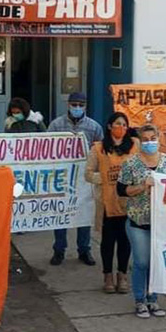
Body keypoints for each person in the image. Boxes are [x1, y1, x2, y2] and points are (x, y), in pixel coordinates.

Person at [117, 123, 166, 318]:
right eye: (145, 140)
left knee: (156, 263)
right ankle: (139, 300)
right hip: (138, 222)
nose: (149, 142)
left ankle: (153, 299)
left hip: (162, 223)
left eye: (153, 138)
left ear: (159, 138)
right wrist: (142, 186)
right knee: (142, 261)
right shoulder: (130, 164)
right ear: (139, 142)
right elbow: (121, 190)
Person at [85, 112, 140, 293]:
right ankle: (107, 275)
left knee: (125, 241)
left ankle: (122, 275)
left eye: (124, 125)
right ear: (109, 126)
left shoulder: (134, 146)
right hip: (107, 203)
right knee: (107, 242)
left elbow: (142, 168)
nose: (121, 128)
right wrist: (106, 178)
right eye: (117, 124)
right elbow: (88, 174)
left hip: (128, 202)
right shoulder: (98, 148)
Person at [48, 92, 104, 266]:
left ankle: (84, 250)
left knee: (84, 212)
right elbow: (46, 146)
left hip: (84, 177)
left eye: (81, 104)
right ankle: (59, 250)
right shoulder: (56, 124)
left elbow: (101, 151)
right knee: (60, 212)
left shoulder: (94, 127)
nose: (77, 108)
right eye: (74, 104)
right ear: (68, 105)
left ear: (85, 106)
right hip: (62, 176)